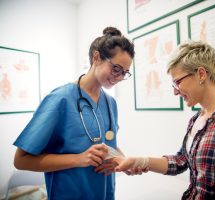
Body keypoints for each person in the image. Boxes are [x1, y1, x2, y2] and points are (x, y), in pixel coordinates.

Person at [102, 41, 215, 199]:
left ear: (201, 74)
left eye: (177, 82)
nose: (175, 92)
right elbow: (180, 161)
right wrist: (138, 161)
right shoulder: (196, 119)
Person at [13, 27, 135, 200]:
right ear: (96, 57)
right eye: (116, 68)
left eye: (125, 72)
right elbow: (21, 160)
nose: (119, 77)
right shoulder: (60, 100)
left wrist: (122, 160)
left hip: (105, 193)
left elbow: (107, 143)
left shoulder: (110, 103)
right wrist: (79, 159)